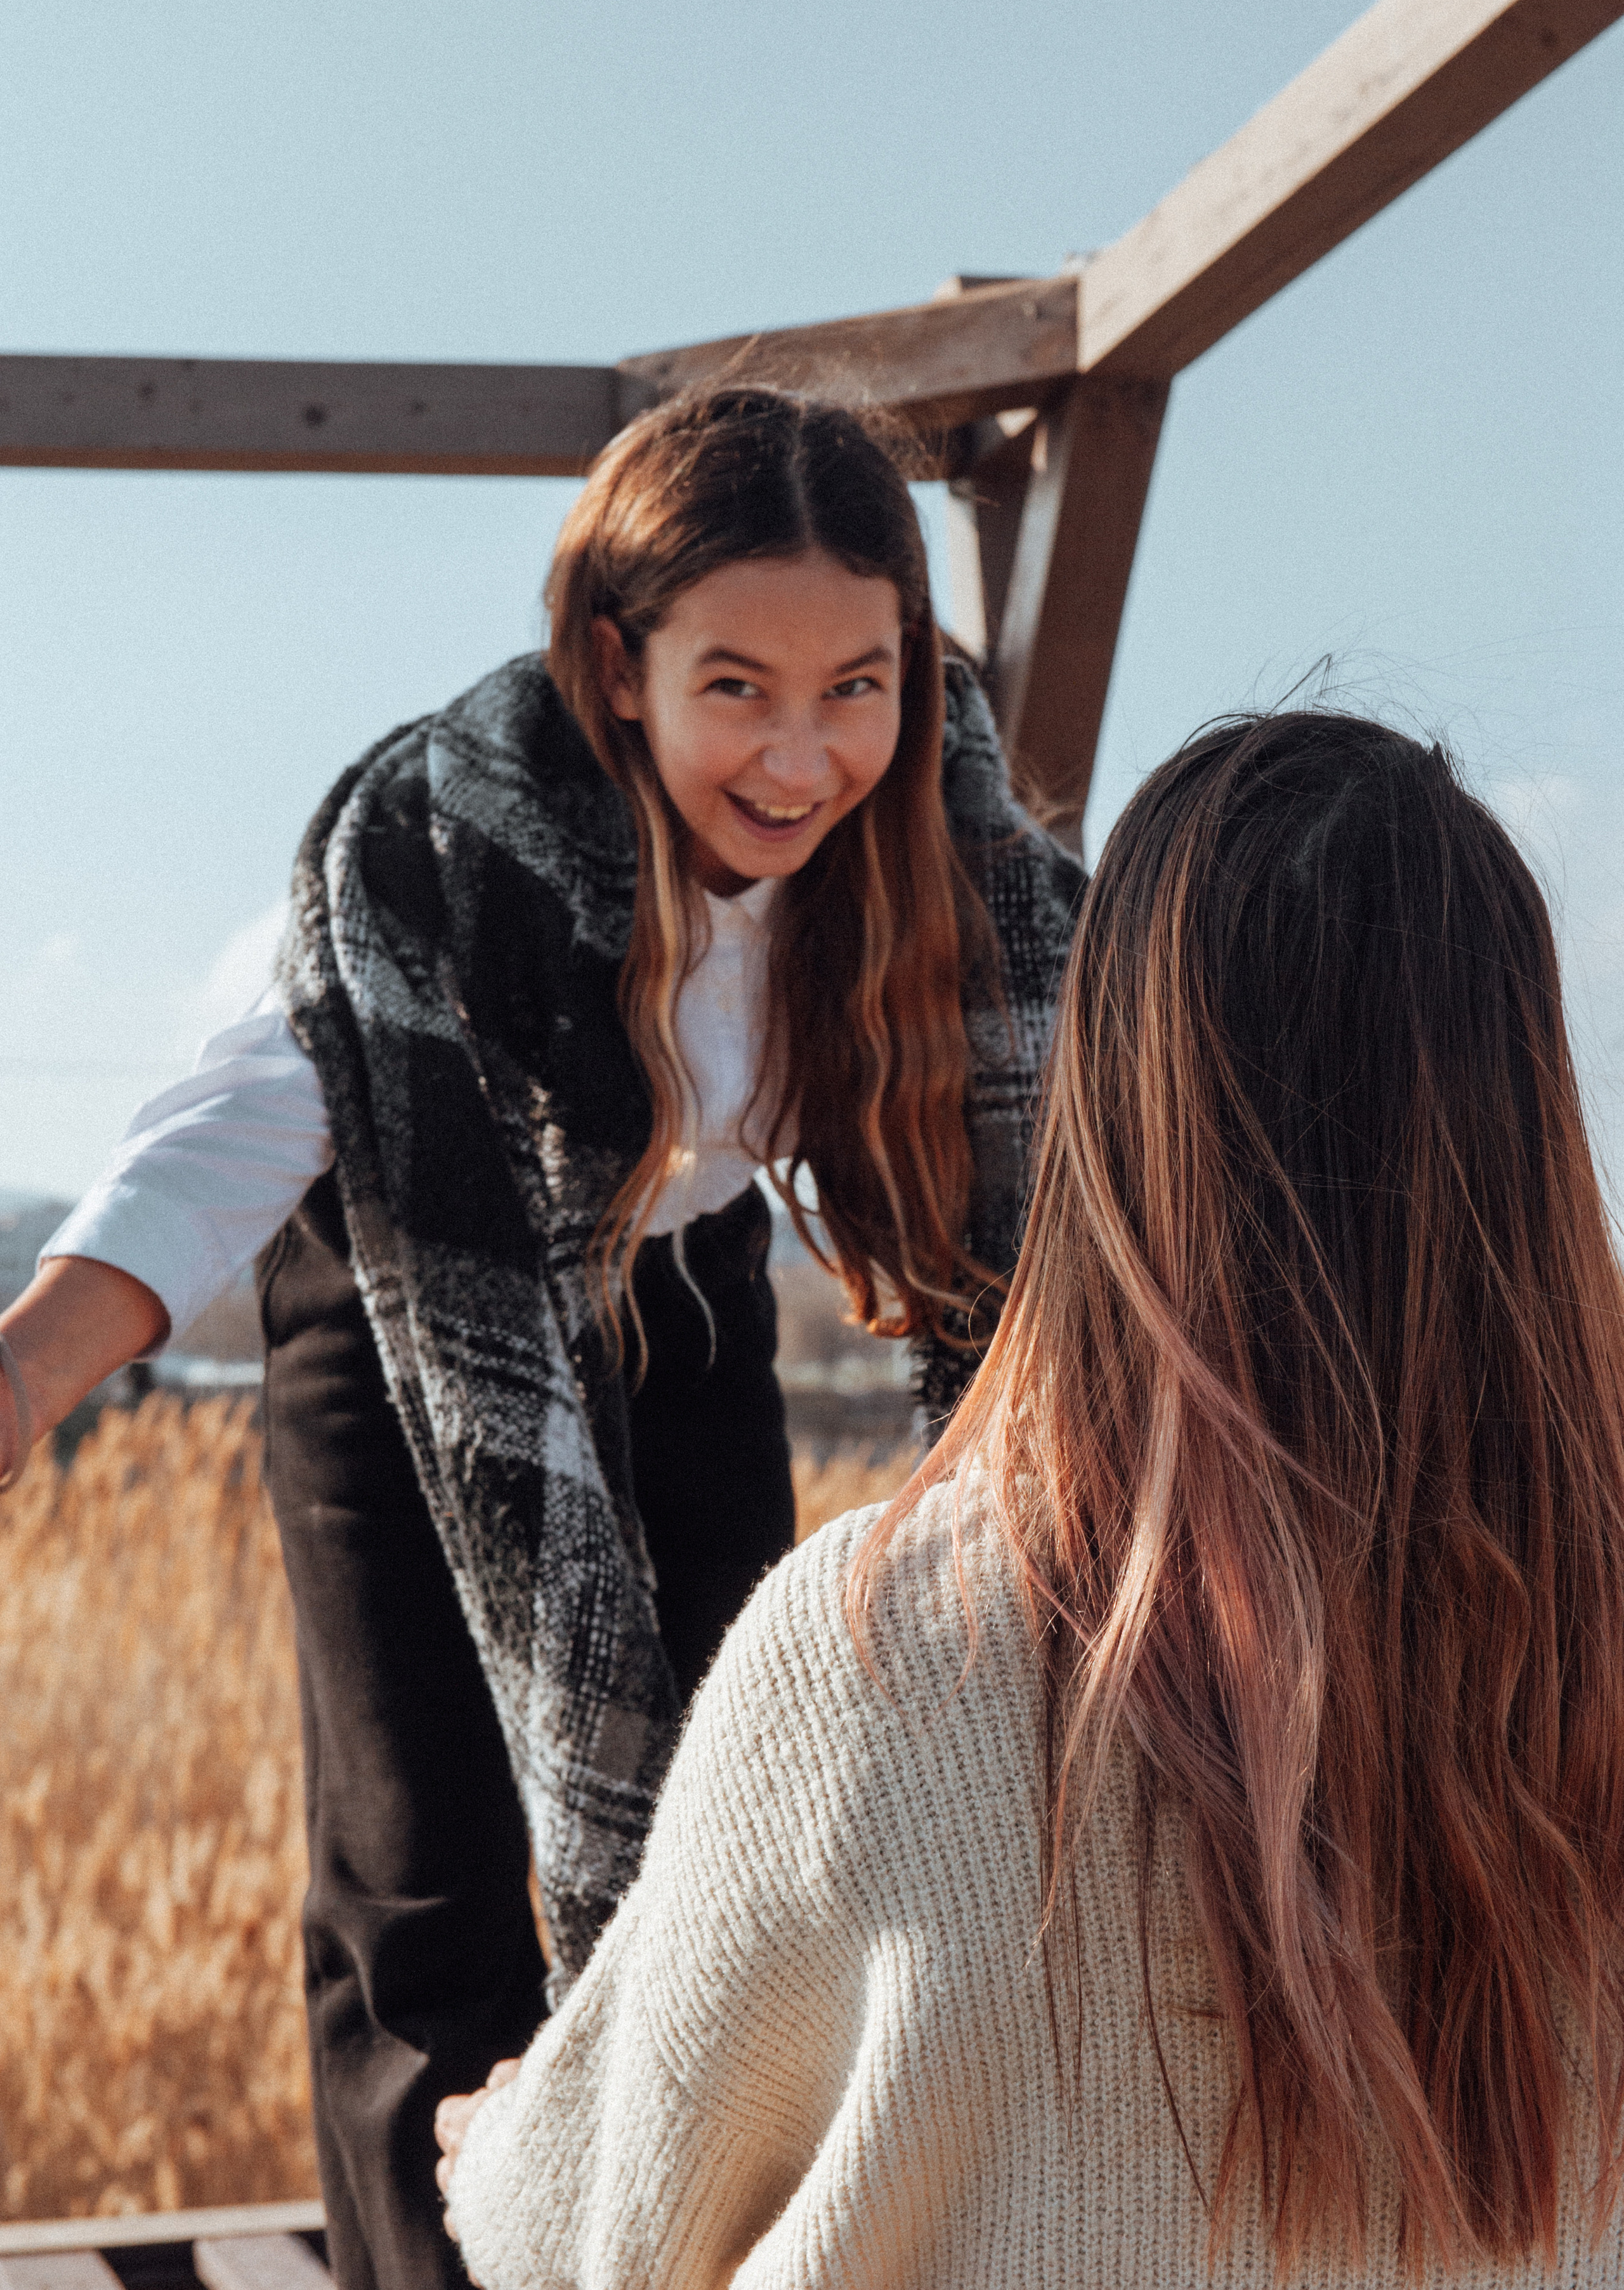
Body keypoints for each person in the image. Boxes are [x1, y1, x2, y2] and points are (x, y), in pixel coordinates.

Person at [0, 385, 1084, 2290]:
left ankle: (680, 2243)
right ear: (618, 660)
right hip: (417, 1289)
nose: (803, 751)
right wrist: (30, 1364)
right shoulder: (437, 860)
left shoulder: (957, 868)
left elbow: (1098, 1139)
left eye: (860, 683)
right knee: (429, 1879)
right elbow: (240, 1134)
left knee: (732, 1822)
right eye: (735, 684)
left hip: (686, 1291)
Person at [436, 710, 1624, 2288]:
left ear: (1113, 1100)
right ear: (1530, 1113)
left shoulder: (875, 1656)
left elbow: (595, 2234)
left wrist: (497, 2146)